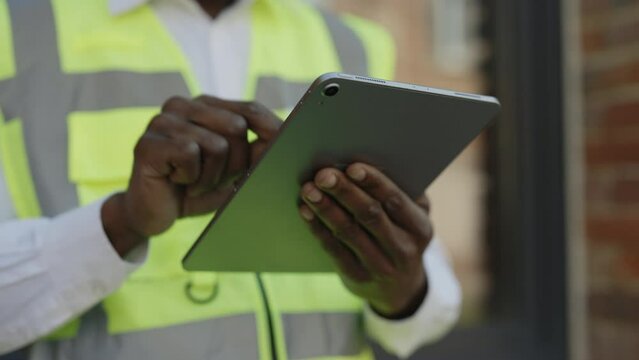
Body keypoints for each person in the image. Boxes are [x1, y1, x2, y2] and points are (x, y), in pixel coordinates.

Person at [0, 0, 462, 359]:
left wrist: (401, 288)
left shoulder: (350, 43)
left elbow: (430, 311)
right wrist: (121, 223)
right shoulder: (14, 34)